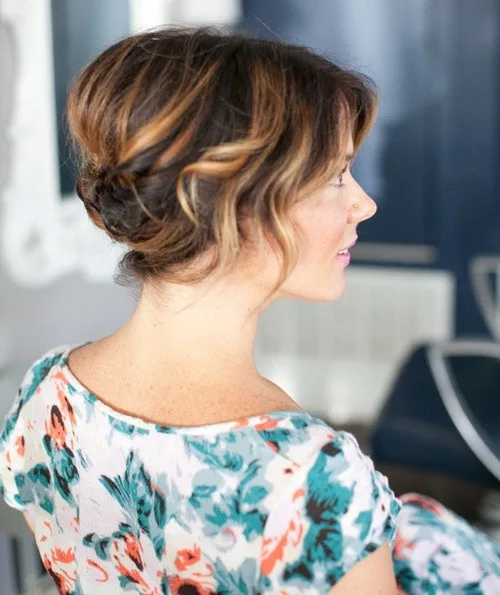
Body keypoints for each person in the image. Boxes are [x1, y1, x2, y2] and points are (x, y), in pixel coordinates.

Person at [0, 27, 498, 595]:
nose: (365, 203)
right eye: (336, 175)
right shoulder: (310, 477)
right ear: (236, 205)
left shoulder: (46, 392)